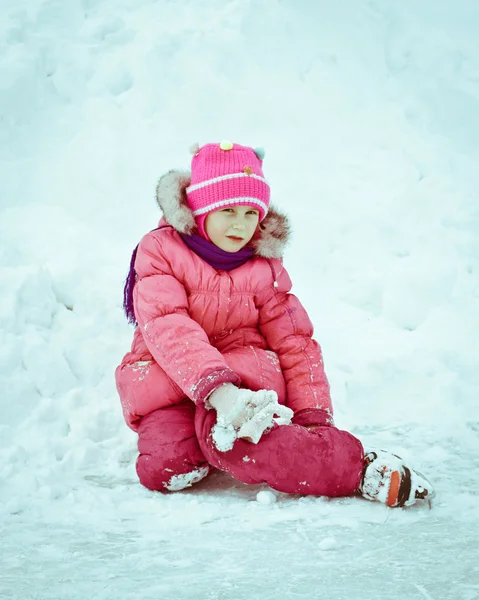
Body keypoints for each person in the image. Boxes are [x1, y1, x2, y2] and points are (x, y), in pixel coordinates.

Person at [115, 141, 435, 507]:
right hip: (170, 382)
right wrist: (218, 392)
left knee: (233, 442)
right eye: (228, 210)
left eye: (252, 213)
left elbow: (295, 341)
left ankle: (358, 469)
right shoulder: (159, 251)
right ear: (200, 209)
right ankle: (221, 443)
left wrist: (312, 417)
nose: (241, 224)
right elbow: (167, 324)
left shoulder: (264, 265)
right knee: (164, 468)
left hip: (245, 385)